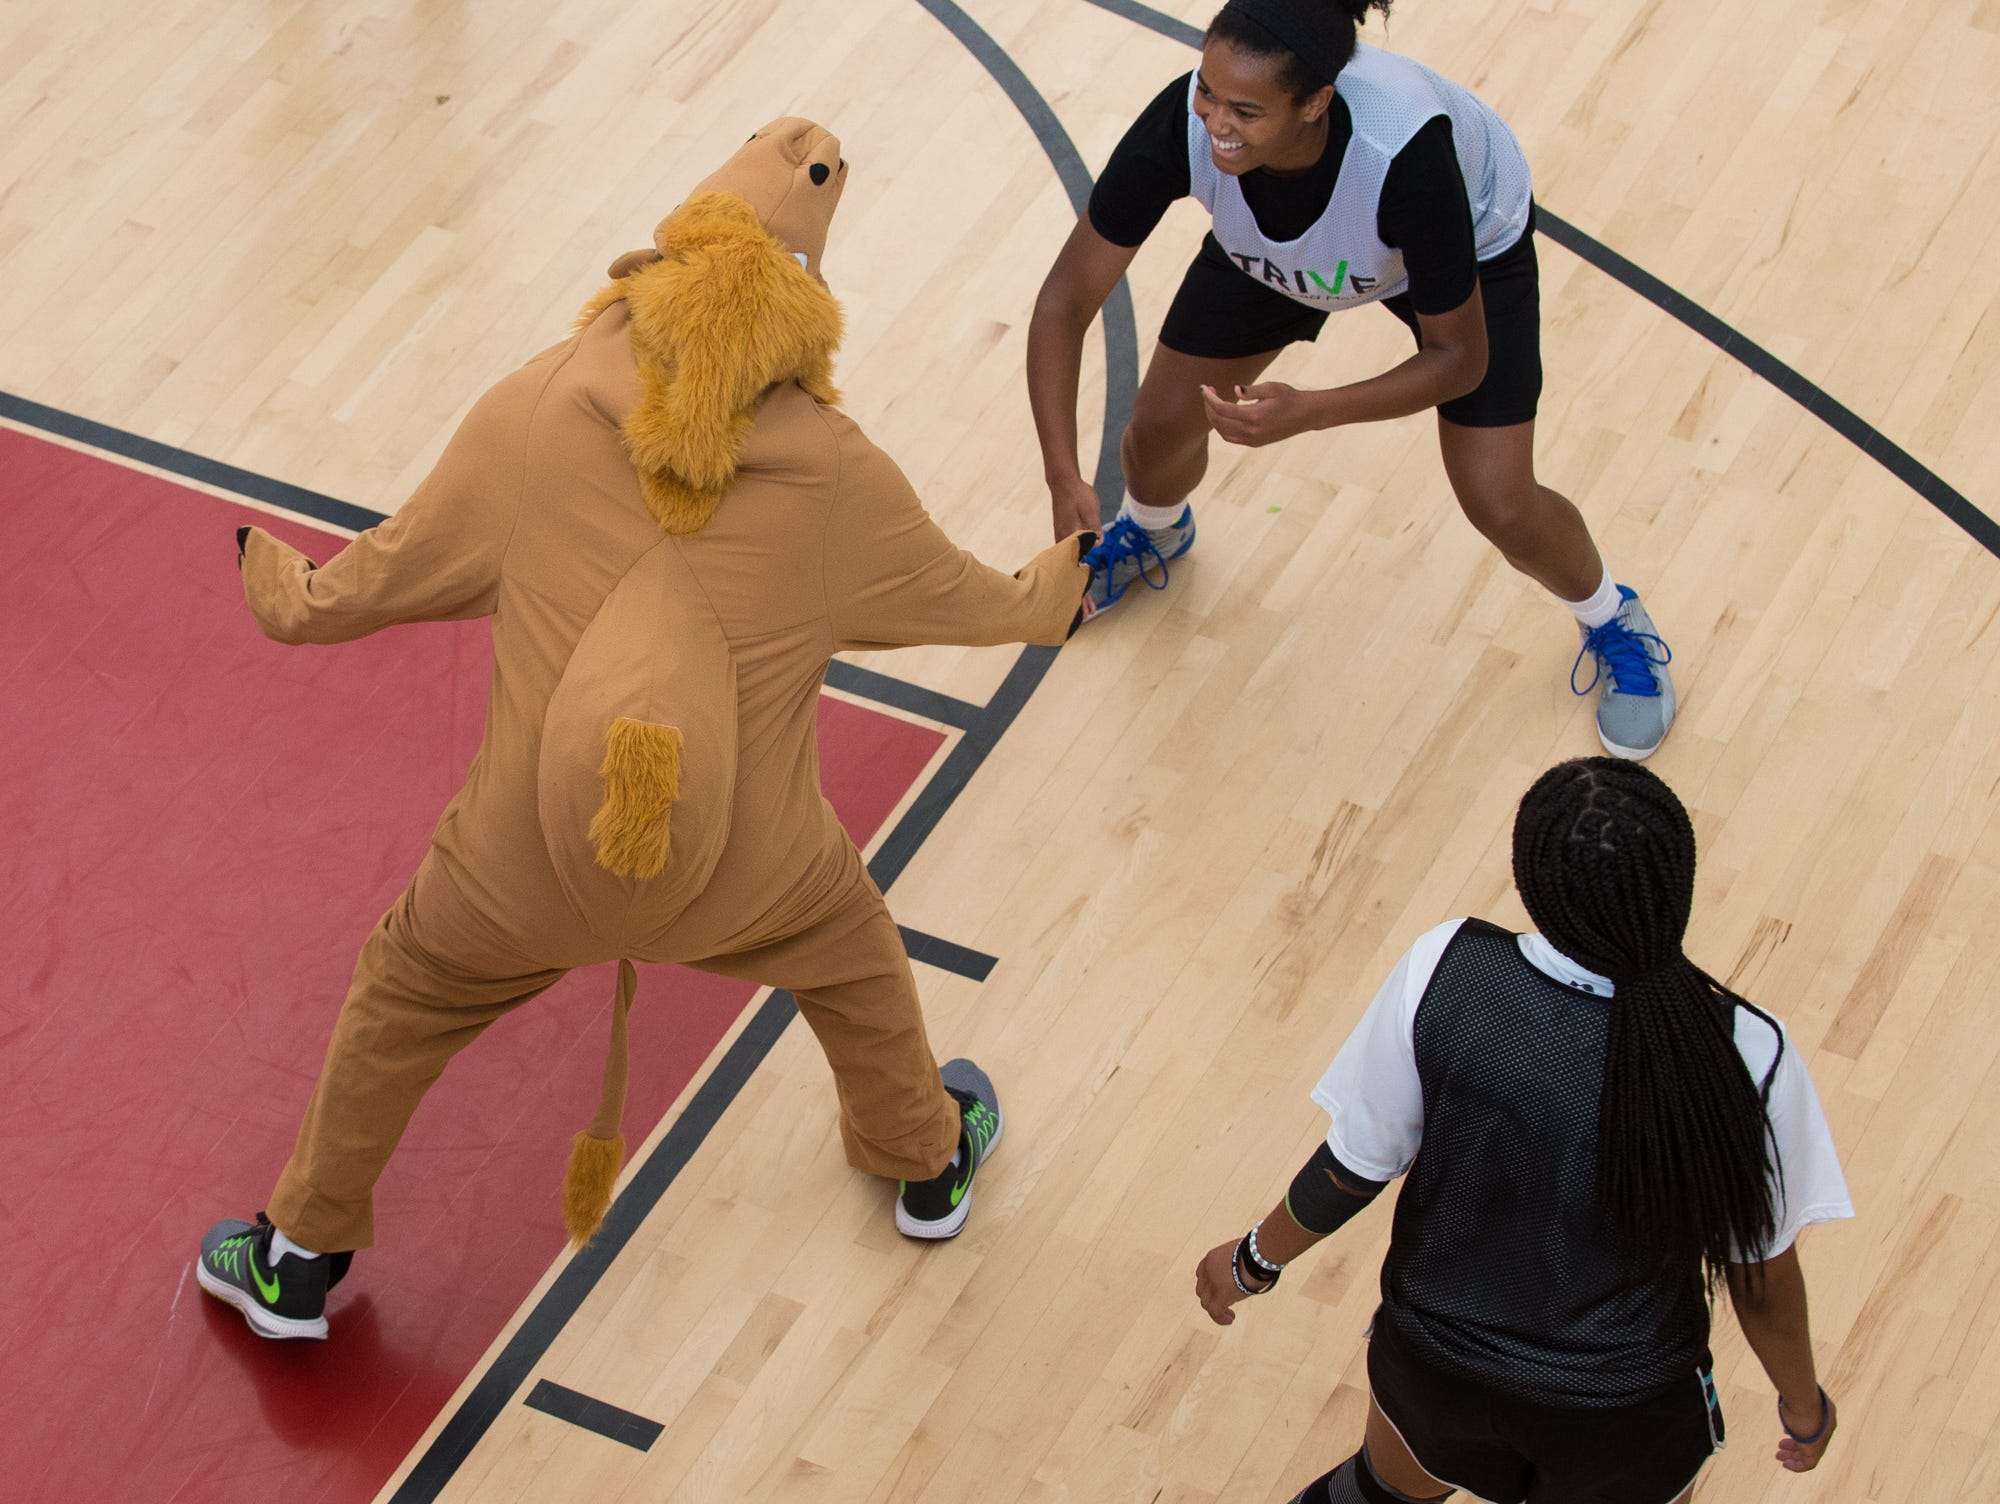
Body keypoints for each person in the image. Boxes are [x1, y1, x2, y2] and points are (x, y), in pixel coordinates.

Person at [195, 120, 1091, 1341]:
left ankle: (296, 1255)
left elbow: (383, 574)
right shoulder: (837, 476)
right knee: (852, 956)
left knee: (401, 991)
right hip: (752, 872)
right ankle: (926, 1164)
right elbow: (976, 602)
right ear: (802, 312)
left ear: (660, 265)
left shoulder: (540, 405)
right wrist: (1058, 585)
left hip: (514, 867)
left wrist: (285, 591)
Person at [1193, 758, 1852, 1503]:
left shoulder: (1446, 969)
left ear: (1531, 885)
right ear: (1679, 883)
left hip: (1436, 1373)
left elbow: (1354, 1167)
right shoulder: (1748, 1052)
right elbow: (1758, 1279)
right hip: (1624, 1418)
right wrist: (1805, 1408)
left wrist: (1253, 1261)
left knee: (1379, 1492)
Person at [1029, 0, 1676, 758]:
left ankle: (1611, 617)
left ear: (1315, 104)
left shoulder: (1406, 156)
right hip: (1283, 253)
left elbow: (1458, 358)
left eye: (1246, 109)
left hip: (1461, 250)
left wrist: (1312, 411)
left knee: (1500, 502)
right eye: (1207, 91)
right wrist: (1063, 473)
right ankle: (1155, 531)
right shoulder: (1189, 123)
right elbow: (1066, 297)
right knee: (1159, 430)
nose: (1216, 122)